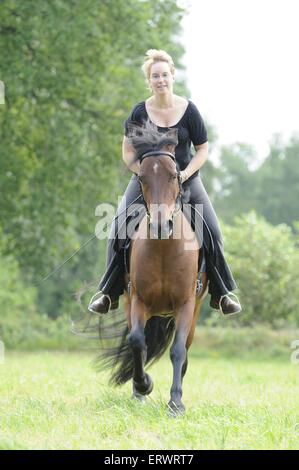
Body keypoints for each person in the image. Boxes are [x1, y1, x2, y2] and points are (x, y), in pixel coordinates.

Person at [89, 49, 241, 316]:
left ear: (173, 76)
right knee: (117, 228)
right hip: (148, 180)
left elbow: (203, 148)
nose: (160, 80)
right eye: (155, 76)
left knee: (213, 230)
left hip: (185, 178)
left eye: (164, 75)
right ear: (149, 81)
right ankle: (108, 292)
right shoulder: (140, 112)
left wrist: (184, 174)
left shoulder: (189, 110)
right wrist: (141, 172)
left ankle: (222, 292)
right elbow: (127, 151)